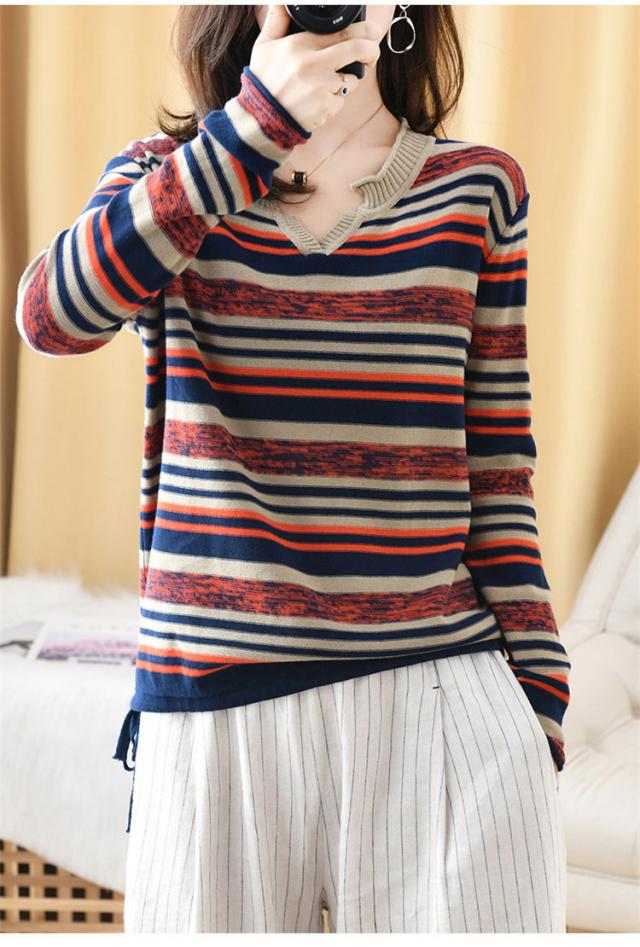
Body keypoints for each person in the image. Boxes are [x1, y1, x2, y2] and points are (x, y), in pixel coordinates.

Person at [15, 3, 571, 934]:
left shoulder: (477, 188)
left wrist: (540, 696)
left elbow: (498, 461)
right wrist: (249, 132)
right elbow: (50, 317)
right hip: (214, 705)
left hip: (439, 690)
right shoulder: (170, 179)